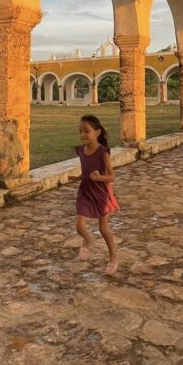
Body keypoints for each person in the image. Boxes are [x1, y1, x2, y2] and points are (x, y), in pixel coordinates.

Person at [74, 114, 120, 274]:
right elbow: (85, 171)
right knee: (79, 226)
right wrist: (78, 177)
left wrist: (100, 178)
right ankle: (87, 240)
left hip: (101, 194)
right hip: (85, 192)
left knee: (103, 228)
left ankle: (113, 257)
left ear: (97, 132)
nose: (82, 134)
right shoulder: (81, 151)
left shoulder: (102, 152)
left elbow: (112, 176)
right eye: (80, 131)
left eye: (86, 131)